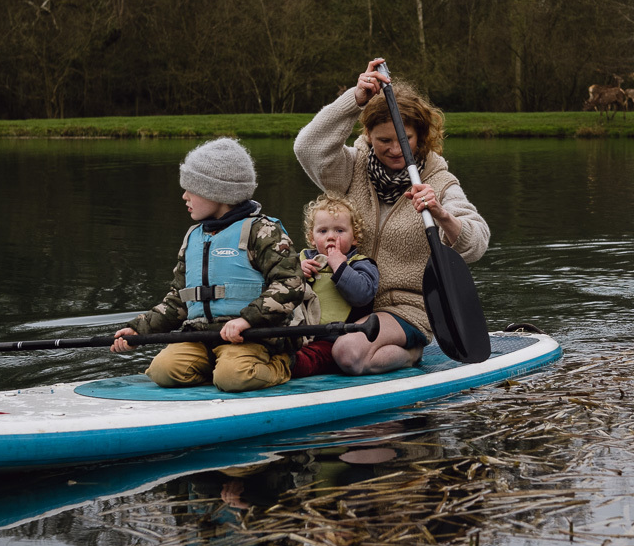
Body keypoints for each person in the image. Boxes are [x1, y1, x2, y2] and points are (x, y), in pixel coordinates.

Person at [293, 57, 489, 374]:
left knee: (348, 352)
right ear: (369, 135)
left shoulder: (437, 182)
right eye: (384, 140)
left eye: (404, 140)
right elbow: (308, 148)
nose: (395, 150)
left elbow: (476, 243)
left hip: (405, 309)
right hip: (345, 303)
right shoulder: (350, 169)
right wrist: (354, 100)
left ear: (421, 137)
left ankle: (410, 353)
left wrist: (441, 215)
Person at [109, 137, 304, 391]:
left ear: (218, 193)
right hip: (201, 336)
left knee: (233, 376)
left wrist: (247, 320)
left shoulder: (263, 231)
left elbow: (291, 284)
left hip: (253, 337)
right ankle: (217, 369)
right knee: (161, 371)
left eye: (192, 188)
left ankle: (281, 363)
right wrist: (139, 331)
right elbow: (178, 301)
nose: (184, 196)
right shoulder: (193, 237)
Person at [294, 193, 380, 377]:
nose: (331, 237)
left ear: (354, 237)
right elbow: (275, 288)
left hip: (333, 340)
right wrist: (296, 274)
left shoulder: (360, 264)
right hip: (296, 335)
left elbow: (362, 295)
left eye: (339, 231)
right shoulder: (299, 261)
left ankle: (286, 366)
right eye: (323, 231)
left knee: (302, 362)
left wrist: (339, 266)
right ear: (312, 237)